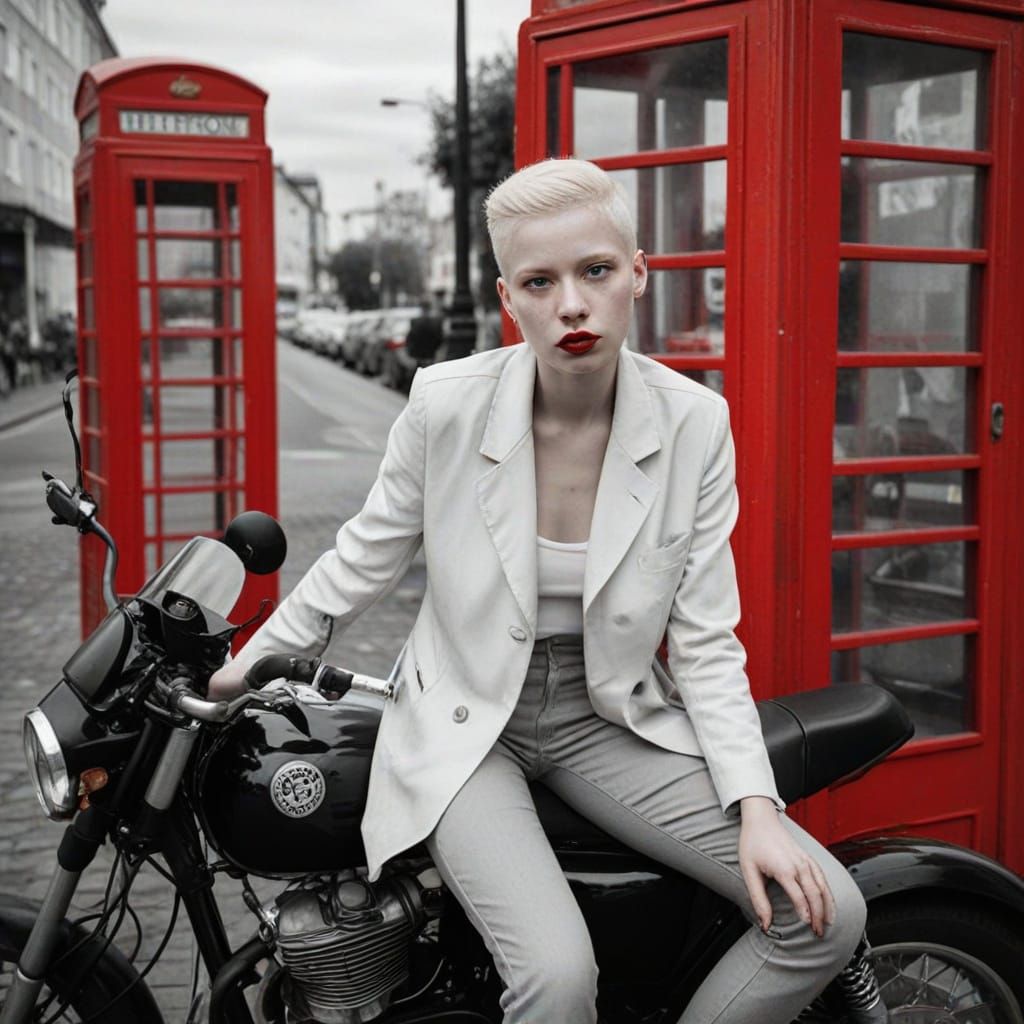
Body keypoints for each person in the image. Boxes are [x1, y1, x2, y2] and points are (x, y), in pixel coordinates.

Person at [210, 158, 866, 1023]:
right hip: (467, 724)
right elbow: (360, 561)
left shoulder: (696, 425)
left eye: (595, 270)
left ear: (639, 272)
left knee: (828, 913)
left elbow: (706, 640)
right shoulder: (447, 406)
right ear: (506, 297)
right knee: (556, 980)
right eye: (539, 281)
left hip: (606, 715)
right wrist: (245, 666)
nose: (571, 304)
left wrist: (757, 809)